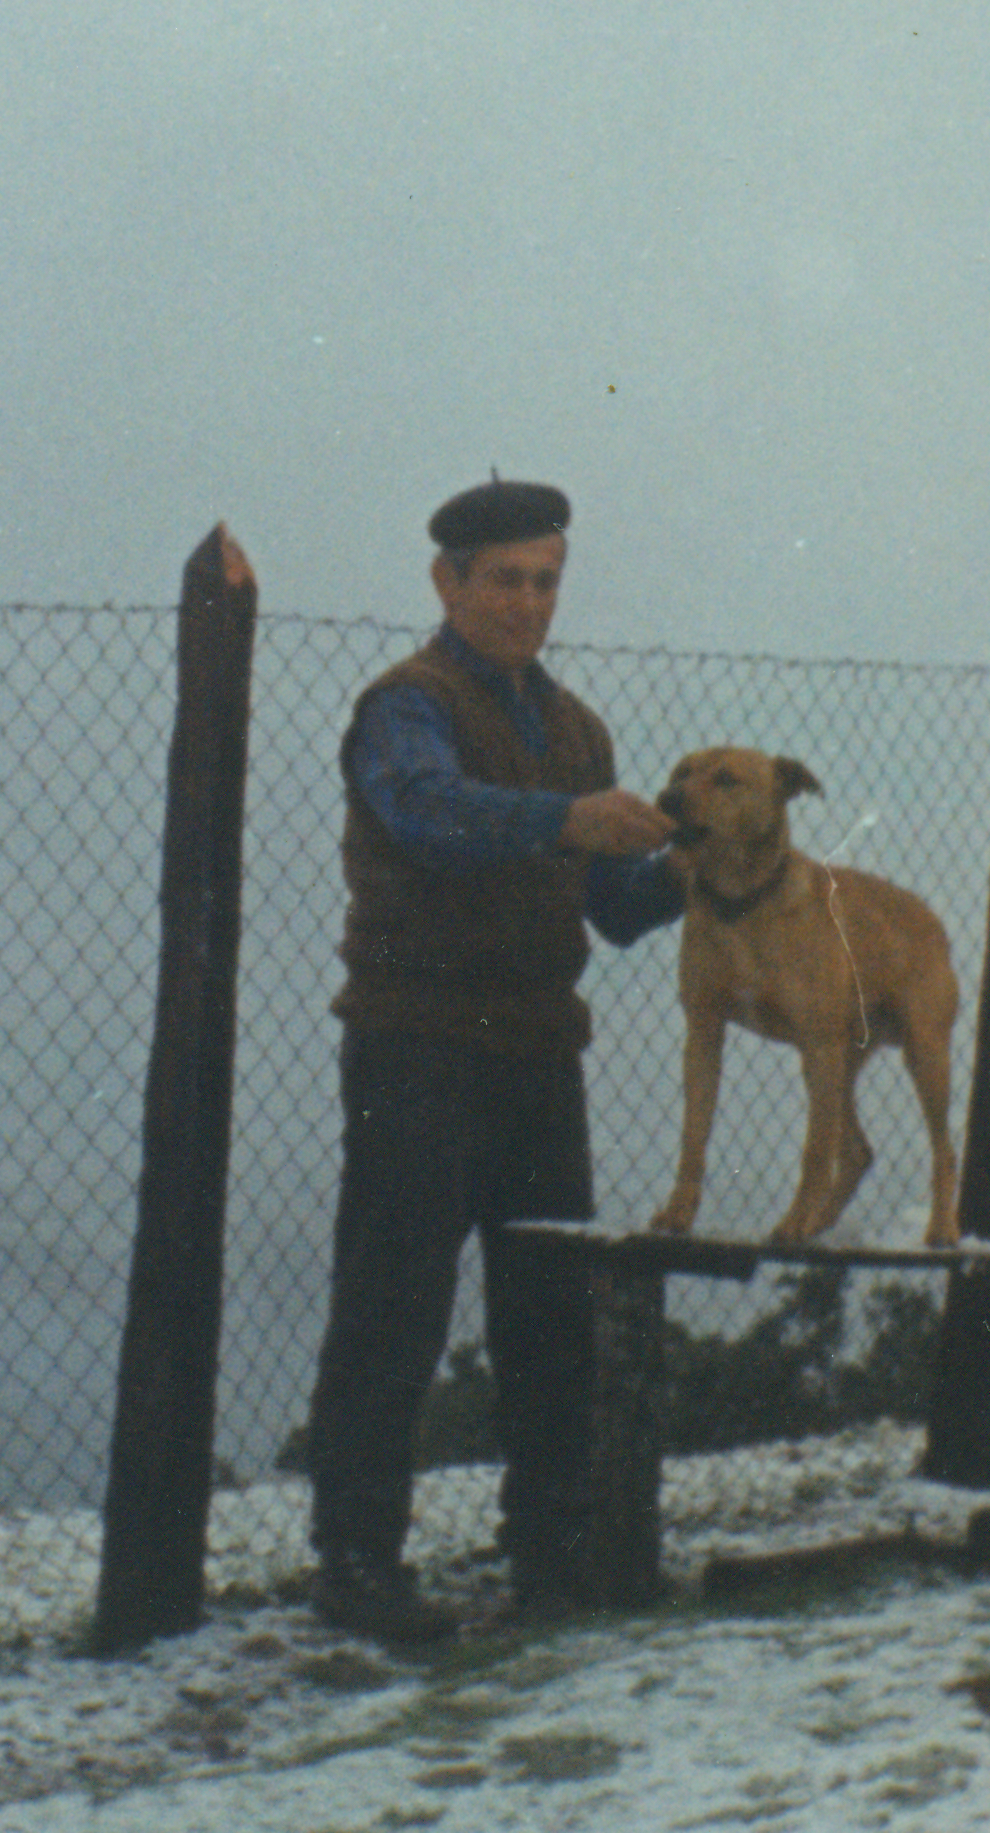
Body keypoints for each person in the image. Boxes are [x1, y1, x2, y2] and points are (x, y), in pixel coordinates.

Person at [303, 475, 690, 1643]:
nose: (527, 604)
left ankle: (550, 1555)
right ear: (447, 582)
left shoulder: (576, 729)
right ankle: (358, 1566)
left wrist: (705, 871)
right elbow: (423, 812)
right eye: (506, 580)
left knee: (546, 1310)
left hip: (534, 1051)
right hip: (415, 1042)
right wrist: (571, 822)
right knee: (394, 1305)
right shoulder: (401, 706)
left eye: (545, 581)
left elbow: (612, 907)